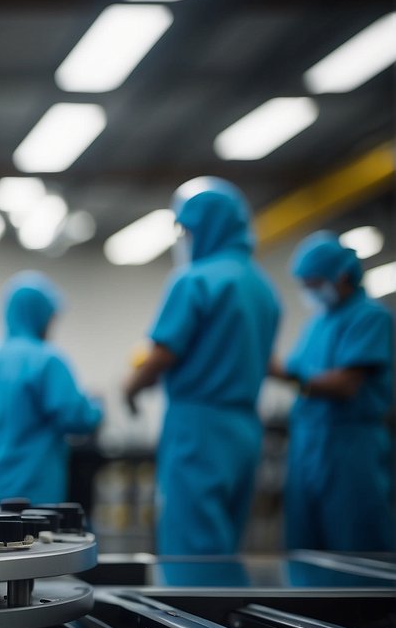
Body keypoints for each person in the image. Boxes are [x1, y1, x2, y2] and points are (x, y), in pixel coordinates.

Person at [123, 177, 281, 555]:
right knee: (227, 540)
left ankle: (191, 615)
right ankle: (227, 613)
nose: (184, 239)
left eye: (185, 229)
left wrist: (130, 387)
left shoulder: (194, 280)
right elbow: (267, 359)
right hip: (245, 429)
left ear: (204, 227)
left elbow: (163, 353)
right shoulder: (263, 287)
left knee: (192, 548)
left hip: (198, 429)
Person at [272, 231, 393, 551]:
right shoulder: (317, 324)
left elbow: (346, 384)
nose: (309, 292)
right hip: (307, 441)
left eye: (313, 284)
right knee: (304, 542)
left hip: (351, 445)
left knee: (356, 539)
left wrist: (284, 375)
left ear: (340, 276)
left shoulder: (370, 317)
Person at [0, 271, 103, 505]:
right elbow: (78, 419)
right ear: (41, 315)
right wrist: (96, 405)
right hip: (34, 490)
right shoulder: (48, 361)